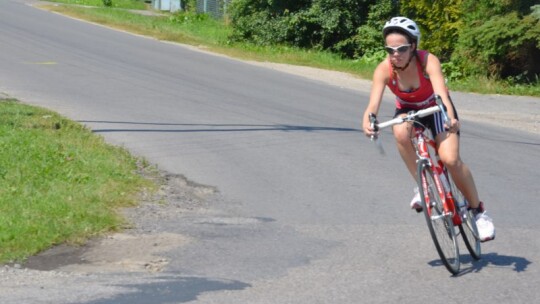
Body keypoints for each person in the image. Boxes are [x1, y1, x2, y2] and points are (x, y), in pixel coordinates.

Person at [362, 17, 495, 242]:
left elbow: (442, 94)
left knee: (450, 159)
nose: (396, 54)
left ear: (413, 46)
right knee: (400, 132)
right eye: (390, 49)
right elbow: (371, 108)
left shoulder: (427, 61)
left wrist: (450, 119)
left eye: (402, 49)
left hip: (436, 109)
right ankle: (422, 186)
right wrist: (368, 123)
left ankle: (479, 213)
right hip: (409, 111)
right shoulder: (384, 70)